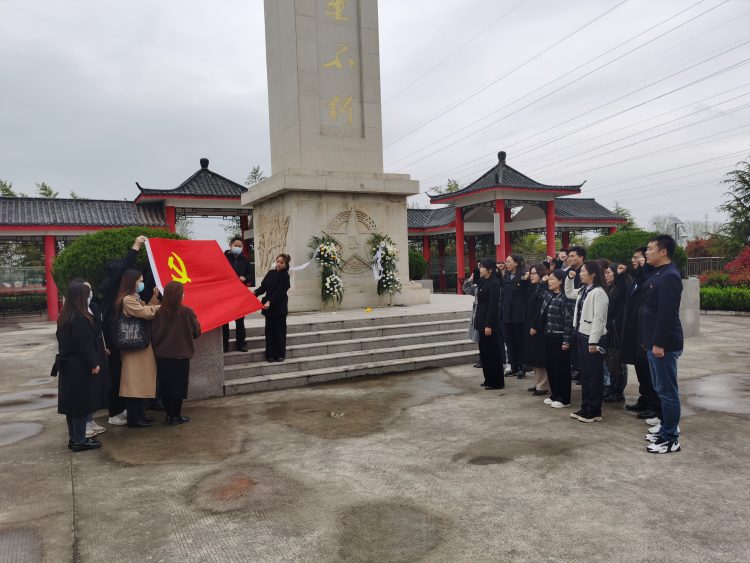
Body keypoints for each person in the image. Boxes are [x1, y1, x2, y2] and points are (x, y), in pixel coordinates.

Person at [641, 235, 684, 454]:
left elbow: (666, 314)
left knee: (668, 392)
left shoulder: (670, 276)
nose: (646, 252)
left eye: (650, 249)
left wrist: (658, 344)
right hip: (653, 343)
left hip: (663, 345)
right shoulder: (658, 273)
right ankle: (666, 428)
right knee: (661, 390)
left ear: (663, 251)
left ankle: (670, 438)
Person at [99, 235, 147, 426]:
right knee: (115, 374)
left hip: (116, 336)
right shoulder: (112, 288)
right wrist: (135, 246)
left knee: (122, 374)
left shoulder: (119, 292)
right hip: (112, 338)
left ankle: (124, 410)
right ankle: (115, 413)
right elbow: (123, 268)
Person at [55, 281, 108, 452]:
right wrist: (94, 364)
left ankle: (74, 438)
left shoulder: (65, 316)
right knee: (81, 405)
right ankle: (80, 440)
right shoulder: (79, 318)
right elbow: (84, 344)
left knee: (72, 406)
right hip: (80, 366)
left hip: (68, 366)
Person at [114, 270, 160, 428]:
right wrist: (161, 307)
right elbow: (145, 313)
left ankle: (140, 415)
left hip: (140, 347)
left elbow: (145, 310)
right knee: (134, 385)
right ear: (131, 282)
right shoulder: (128, 299)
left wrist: (154, 298)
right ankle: (134, 418)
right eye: (139, 281)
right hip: (135, 348)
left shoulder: (134, 297)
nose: (141, 284)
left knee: (139, 383)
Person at [151, 282, 202, 425]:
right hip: (181, 355)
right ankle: (176, 416)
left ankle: (169, 415)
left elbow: (153, 333)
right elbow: (197, 332)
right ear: (179, 295)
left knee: (166, 387)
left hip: (162, 355)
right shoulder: (187, 312)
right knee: (179, 387)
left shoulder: (158, 312)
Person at [565, 261, 608, 423]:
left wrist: (593, 342)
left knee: (594, 376)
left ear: (593, 274)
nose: (580, 273)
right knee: (586, 375)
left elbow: (599, 319)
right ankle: (586, 407)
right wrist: (569, 278)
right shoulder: (584, 289)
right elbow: (569, 293)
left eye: (583, 271)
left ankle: (594, 410)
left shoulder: (599, 293)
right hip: (582, 335)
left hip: (593, 338)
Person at [621, 247, 660, 419]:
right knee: (640, 368)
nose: (633, 260)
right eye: (633, 257)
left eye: (637, 257)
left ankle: (653, 405)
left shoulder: (650, 277)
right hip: (634, 330)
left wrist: (644, 268)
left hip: (644, 332)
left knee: (648, 371)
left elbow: (647, 284)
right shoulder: (636, 278)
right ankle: (643, 399)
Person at [538, 270, 575, 408]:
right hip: (549, 335)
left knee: (562, 368)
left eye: (552, 279)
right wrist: (542, 282)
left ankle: (564, 398)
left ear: (560, 281)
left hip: (560, 337)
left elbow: (569, 321)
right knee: (551, 366)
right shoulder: (549, 295)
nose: (549, 281)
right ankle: (555, 394)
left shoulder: (566, 298)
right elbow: (538, 293)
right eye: (549, 279)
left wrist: (566, 340)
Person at [254, 254, 291, 362]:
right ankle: (269, 355)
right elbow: (263, 287)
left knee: (279, 332)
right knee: (269, 332)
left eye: (281, 262)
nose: (279, 264)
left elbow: (280, 292)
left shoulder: (285, 276)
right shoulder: (270, 273)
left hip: (279, 307)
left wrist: (269, 301)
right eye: (278, 261)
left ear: (285, 265)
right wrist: (254, 293)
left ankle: (280, 354)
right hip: (269, 308)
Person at [475, 258, 504, 390]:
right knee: (484, 353)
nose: (480, 269)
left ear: (490, 270)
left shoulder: (494, 283)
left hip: (489, 323)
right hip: (481, 321)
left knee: (492, 353)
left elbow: (493, 306)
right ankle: (488, 379)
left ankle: (496, 382)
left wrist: (489, 325)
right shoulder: (483, 281)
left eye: (482, 267)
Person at [222, 236, 253, 353]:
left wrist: (245, 278)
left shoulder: (245, 260)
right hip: (225, 293)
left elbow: (250, 275)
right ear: (230, 245)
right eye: (236, 245)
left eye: (240, 246)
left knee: (240, 319)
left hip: (239, 294)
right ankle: (224, 344)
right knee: (224, 320)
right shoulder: (223, 258)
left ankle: (241, 343)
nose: (238, 247)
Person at [501, 254, 529, 379]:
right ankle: (513, 366)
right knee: (510, 341)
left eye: (509, 261)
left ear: (516, 263)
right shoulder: (506, 276)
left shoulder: (524, 276)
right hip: (507, 314)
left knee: (519, 342)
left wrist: (525, 280)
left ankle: (522, 367)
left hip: (518, 315)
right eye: (506, 261)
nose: (506, 263)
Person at [603, 263, 628, 403]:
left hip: (616, 331)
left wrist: (620, 275)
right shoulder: (610, 288)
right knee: (611, 362)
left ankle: (618, 391)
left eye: (608, 272)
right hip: (610, 329)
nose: (606, 275)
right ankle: (613, 389)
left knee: (617, 361)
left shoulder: (620, 288)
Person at [524, 263, 549, 396]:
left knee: (539, 357)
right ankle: (537, 382)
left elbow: (540, 310)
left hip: (539, 327)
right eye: (531, 273)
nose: (531, 276)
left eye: (534, 273)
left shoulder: (543, 288)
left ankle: (542, 385)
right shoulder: (533, 287)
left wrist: (535, 326)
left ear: (541, 274)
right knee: (533, 355)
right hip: (530, 324)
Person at [462, 265, 482, 369]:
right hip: (476, 314)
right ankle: (481, 358)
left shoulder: (490, 284)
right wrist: (470, 279)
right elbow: (466, 289)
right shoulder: (477, 286)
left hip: (483, 315)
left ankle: (483, 359)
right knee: (478, 338)